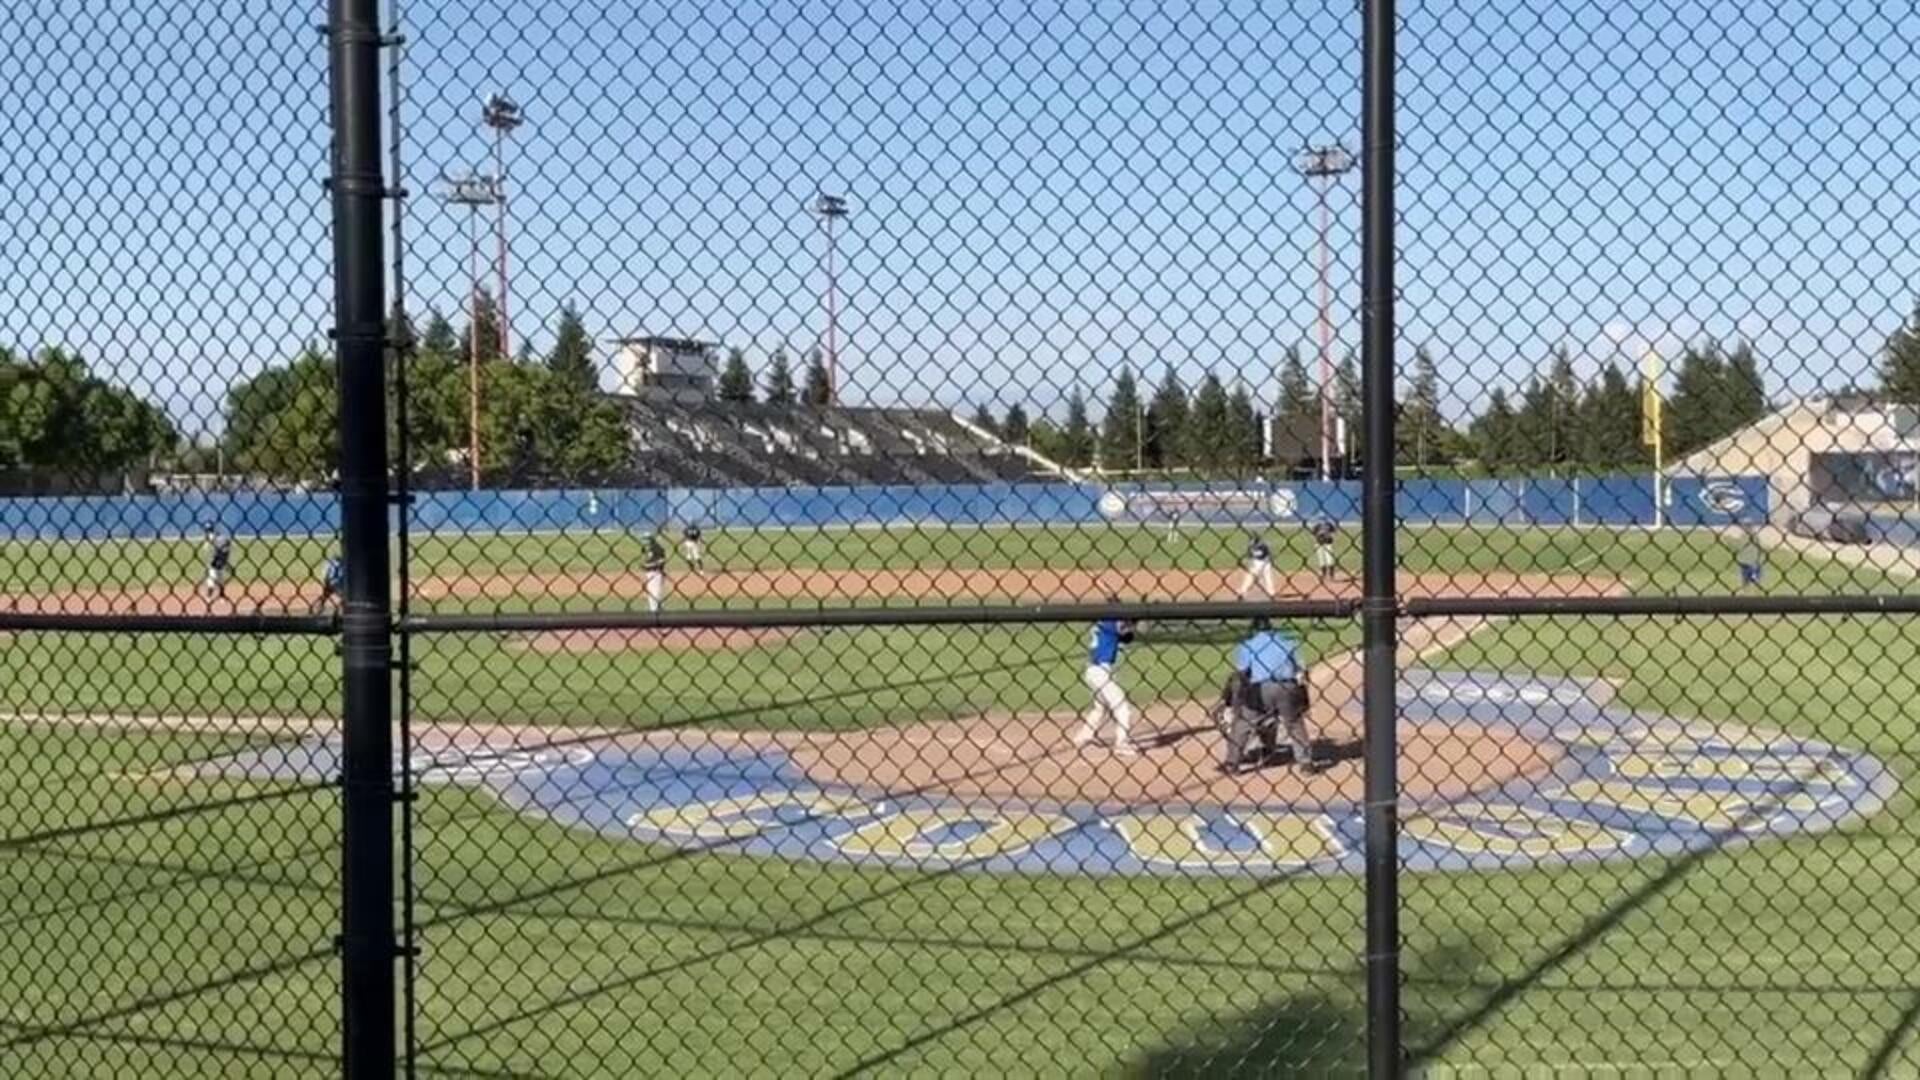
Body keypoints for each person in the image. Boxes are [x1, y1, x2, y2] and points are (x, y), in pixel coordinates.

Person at [1218, 617, 1315, 774]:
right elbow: (1301, 672)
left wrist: (1238, 699)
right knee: (1295, 723)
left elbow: (1241, 674)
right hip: (1288, 686)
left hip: (1261, 687)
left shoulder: (1248, 645)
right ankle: (1306, 764)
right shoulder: (1287, 642)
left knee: (1243, 723)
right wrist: (1303, 699)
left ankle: (1232, 764)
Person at [1073, 601, 1138, 758]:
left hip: (1093, 671)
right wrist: (1136, 617)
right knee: (1122, 707)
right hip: (1100, 671)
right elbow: (1125, 630)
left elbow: (1127, 636)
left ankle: (1083, 736)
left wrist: (1133, 620)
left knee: (1100, 707)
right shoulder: (1110, 622)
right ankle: (1121, 744)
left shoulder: (1105, 622)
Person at [1237, 533, 1275, 599]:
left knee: (1250, 577)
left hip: (1261, 564)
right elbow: (1249, 556)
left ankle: (1242, 592)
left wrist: (1244, 561)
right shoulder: (1261, 545)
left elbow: (1250, 556)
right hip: (1264, 564)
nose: (1250, 541)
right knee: (1267, 578)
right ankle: (1271, 593)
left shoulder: (1261, 546)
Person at [201, 523, 232, 601]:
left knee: (221, 582)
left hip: (219, 565)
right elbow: (211, 553)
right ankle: (208, 597)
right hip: (214, 565)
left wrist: (227, 565)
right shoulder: (213, 539)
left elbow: (224, 557)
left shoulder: (223, 550)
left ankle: (221, 596)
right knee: (212, 582)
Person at [643, 529, 669, 613]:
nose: (644, 541)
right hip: (650, 572)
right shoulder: (647, 548)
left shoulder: (657, 548)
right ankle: (657, 607)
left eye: (646, 539)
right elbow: (647, 559)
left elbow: (662, 560)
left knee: (654, 591)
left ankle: (654, 609)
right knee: (652, 590)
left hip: (656, 572)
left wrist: (650, 565)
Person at [1311, 518, 1338, 583]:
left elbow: (1334, 532)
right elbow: (1313, 534)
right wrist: (1315, 543)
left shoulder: (1329, 524)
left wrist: (1330, 537)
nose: (1322, 521)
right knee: (1322, 561)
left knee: (1330, 560)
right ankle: (1323, 575)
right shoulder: (1317, 525)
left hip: (1328, 544)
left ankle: (1331, 576)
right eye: (1321, 519)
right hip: (1319, 544)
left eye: (1323, 519)